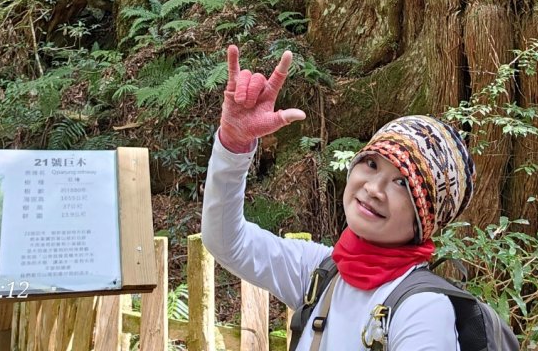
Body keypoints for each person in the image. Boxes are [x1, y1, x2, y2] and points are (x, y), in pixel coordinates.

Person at [201, 45, 476, 351]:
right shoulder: (321, 272)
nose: (373, 188)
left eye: (401, 183)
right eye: (371, 164)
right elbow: (226, 241)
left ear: (424, 218)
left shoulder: (423, 311)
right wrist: (234, 145)